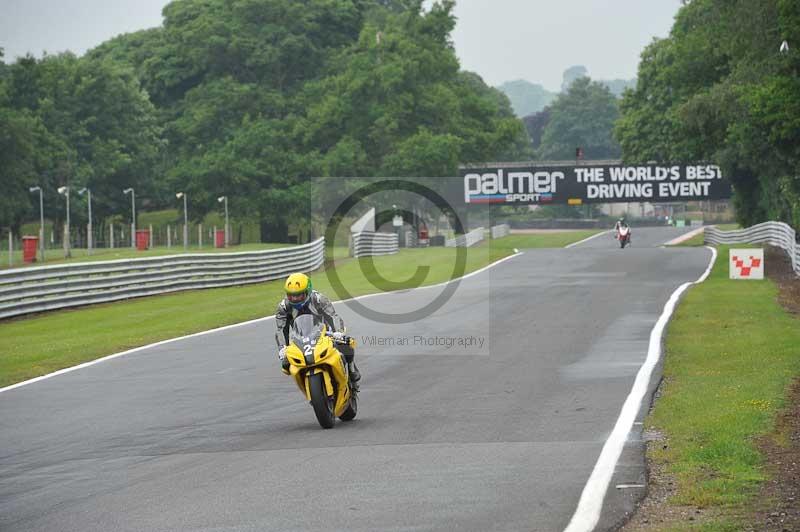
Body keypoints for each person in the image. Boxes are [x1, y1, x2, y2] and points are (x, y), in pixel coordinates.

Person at [275, 273, 360, 382]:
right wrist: (282, 348)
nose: (295, 299)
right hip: (300, 337)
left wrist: (338, 332)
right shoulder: (283, 307)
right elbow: (281, 329)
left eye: (299, 295)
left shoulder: (319, 299)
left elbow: (333, 316)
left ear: (307, 291)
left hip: (325, 333)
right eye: (291, 295)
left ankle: (352, 368)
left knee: (345, 344)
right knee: (286, 365)